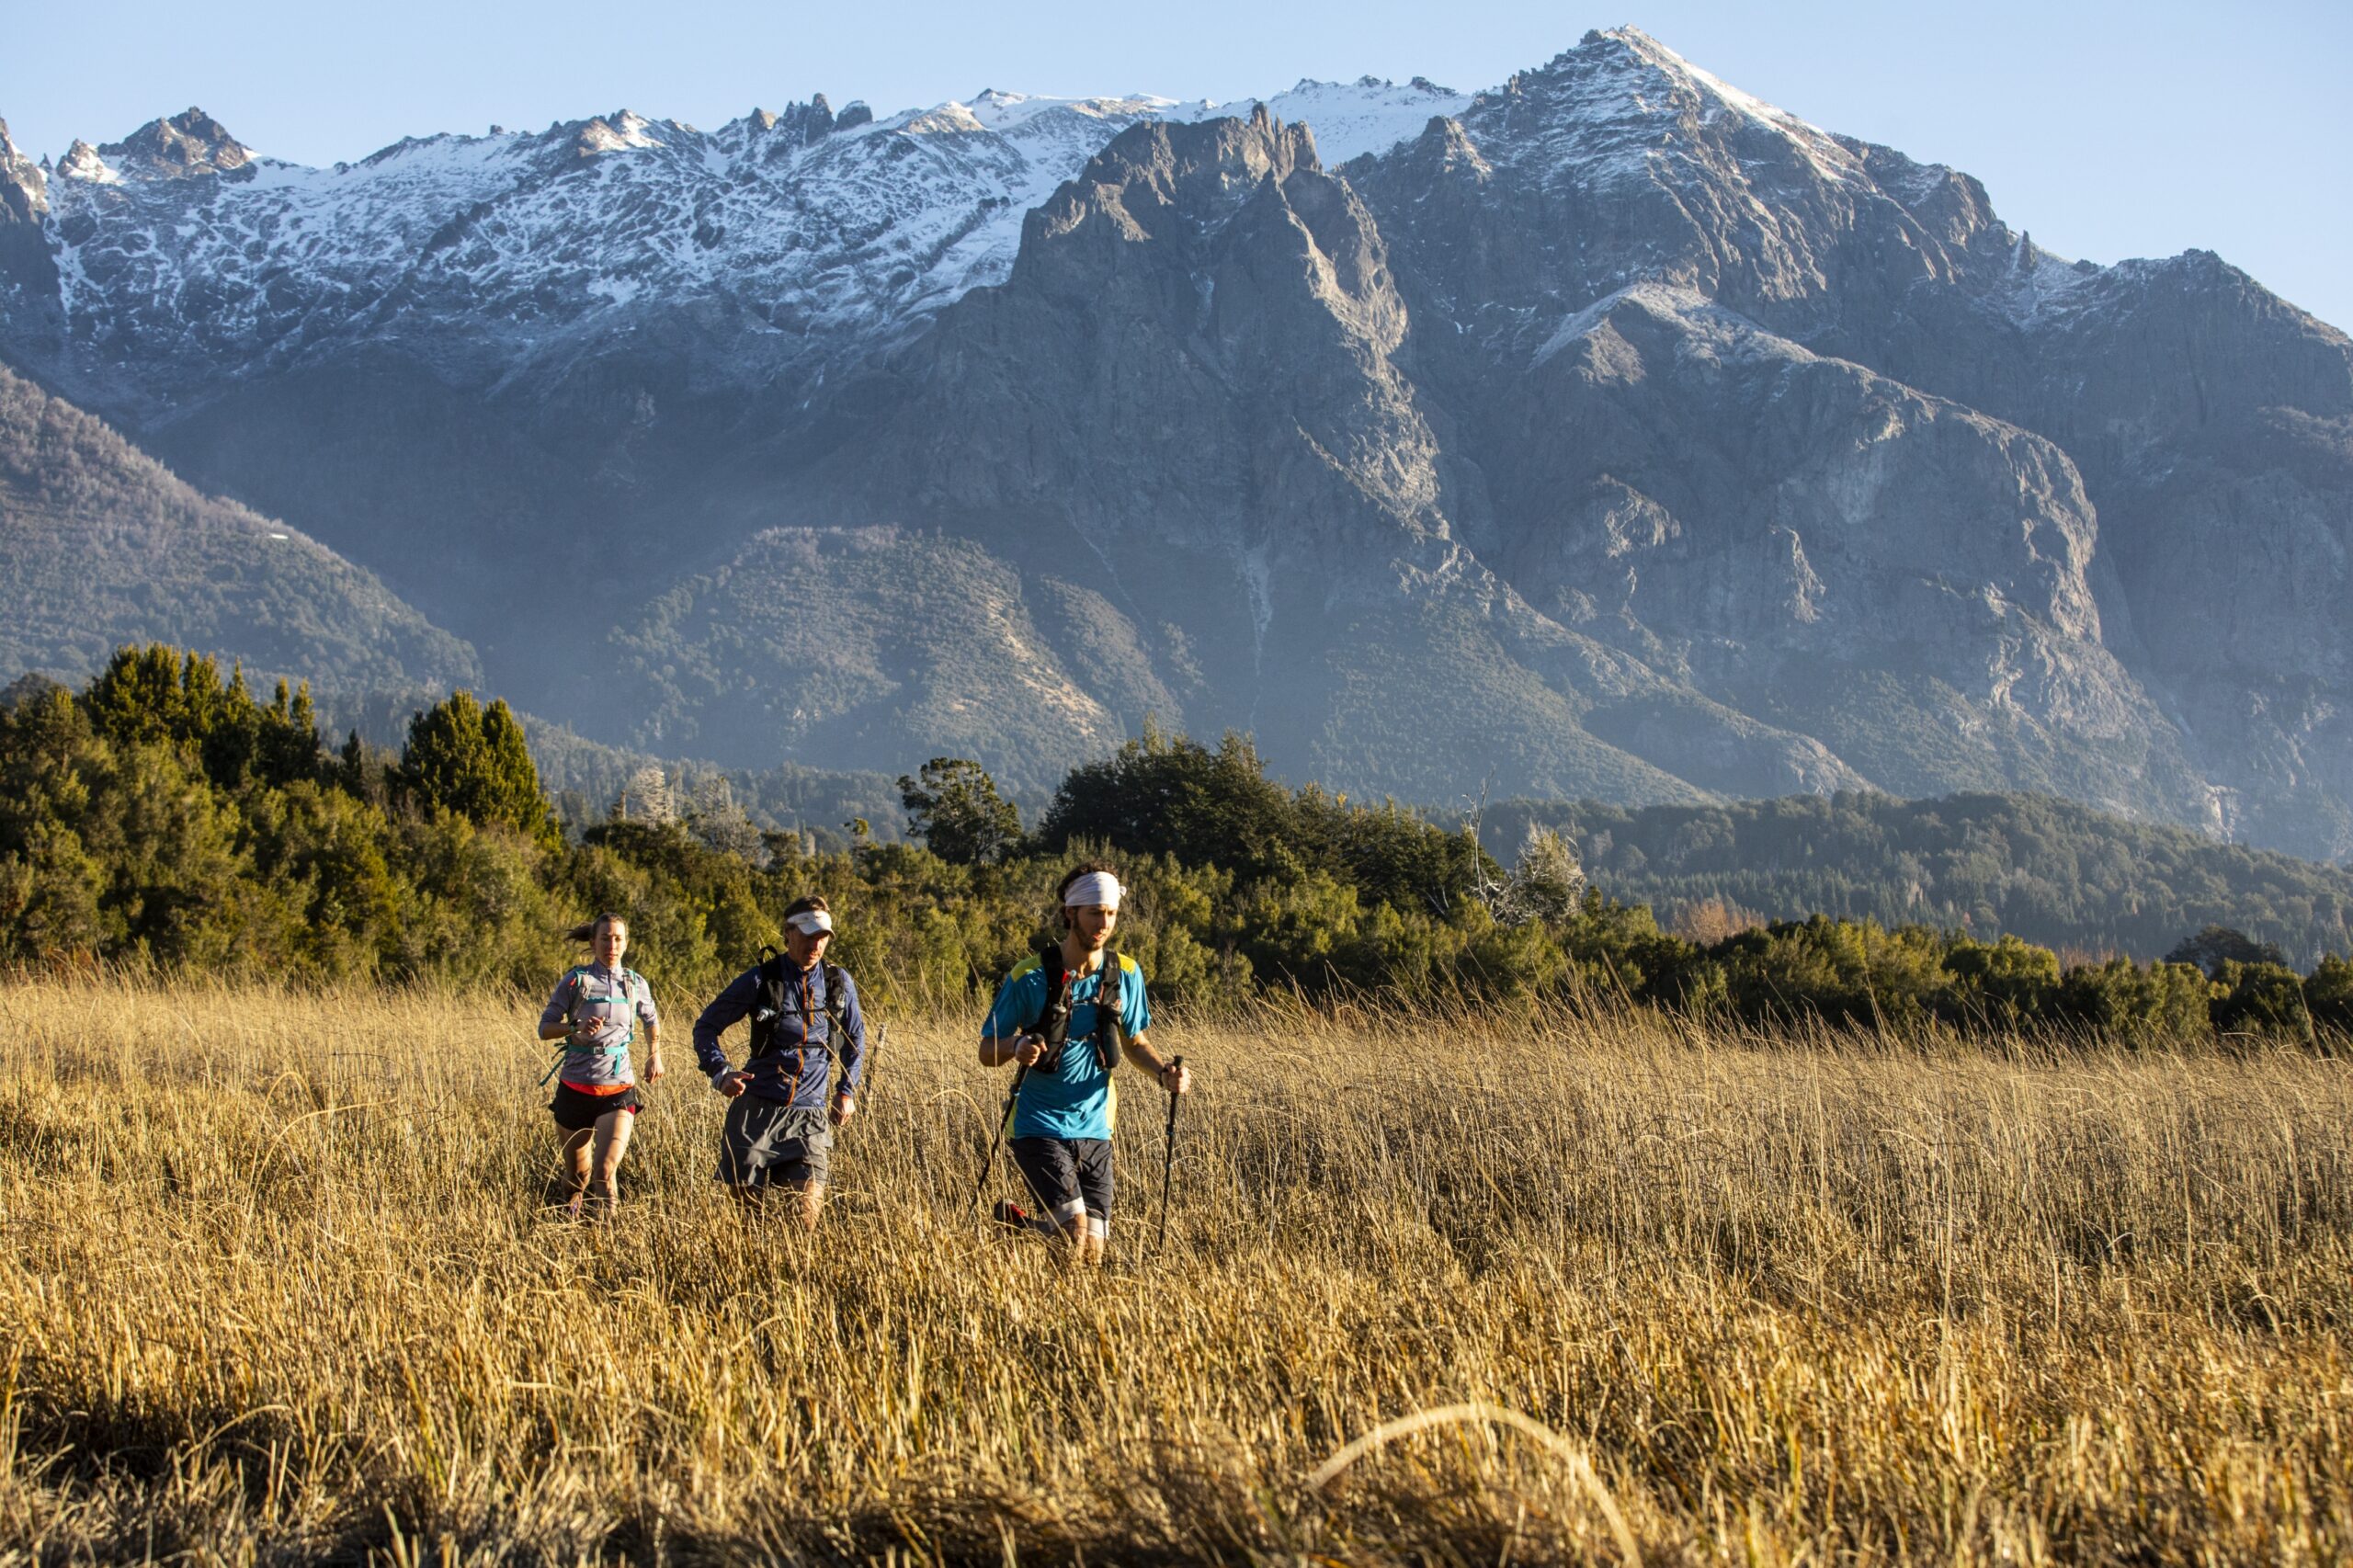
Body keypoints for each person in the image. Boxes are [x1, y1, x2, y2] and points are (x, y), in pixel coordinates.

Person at [980, 862, 1191, 1267]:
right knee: (1074, 1230)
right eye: (1094, 912)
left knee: (1090, 1252)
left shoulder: (1125, 973)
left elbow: (1135, 1043)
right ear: (1070, 913)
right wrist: (1017, 1044)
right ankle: (1031, 1229)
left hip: (1096, 1126)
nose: (1104, 923)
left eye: (1110, 913)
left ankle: (1024, 1232)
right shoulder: (1028, 977)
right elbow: (986, 1051)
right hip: (1036, 1125)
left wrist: (1164, 1073)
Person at [692, 894, 866, 1226]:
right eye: (808, 934)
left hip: (810, 1116)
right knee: (750, 1226)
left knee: (804, 1223)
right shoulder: (761, 980)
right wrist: (721, 1072)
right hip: (756, 1113)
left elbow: (855, 1039)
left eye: (823, 937)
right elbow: (705, 1027)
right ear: (787, 934)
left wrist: (846, 1090)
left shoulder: (838, 982)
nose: (816, 944)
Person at [536, 913, 664, 1220]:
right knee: (578, 1177)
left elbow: (651, 1021)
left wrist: (653, 1054)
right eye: (605, 938)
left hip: (618, 1089)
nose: (612, 944)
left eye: (618, 938)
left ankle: (606, 1242)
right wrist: (574, 1027)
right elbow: (544, 1028)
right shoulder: (576, 981)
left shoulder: (635, 983)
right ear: (593, 942)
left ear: (626, 943)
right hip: (575, 1088)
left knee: (605, 1173)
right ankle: (573, 1216)